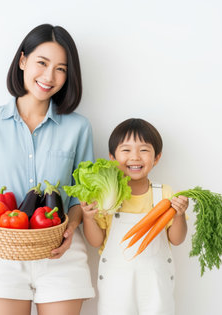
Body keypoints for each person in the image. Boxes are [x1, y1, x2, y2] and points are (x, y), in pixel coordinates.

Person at [0, 24, 95, 315]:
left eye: (60, 68)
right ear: (22, 61)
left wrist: (71, 225)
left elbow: (83, 194)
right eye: (42, 63)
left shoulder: (78, 128)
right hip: (1, 253)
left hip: (61, 255)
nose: (49, 76)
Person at [81, 118, 189, 315]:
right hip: (116, 286)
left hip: (156, 287)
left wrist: (180, 215)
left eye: (144, 150)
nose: (135, 157)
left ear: (156, 158)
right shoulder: (106, 197)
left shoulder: (164, 194)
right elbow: (96, 241)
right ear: (112, 157)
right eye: (126, 150)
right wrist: (88, 218)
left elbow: (177, 239)